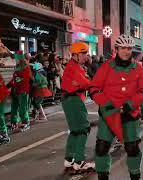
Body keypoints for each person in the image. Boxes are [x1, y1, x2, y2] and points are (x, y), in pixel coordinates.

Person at [89, 34, 143, 180]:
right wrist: (106, 104)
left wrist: (130, 105)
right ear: (117, 49)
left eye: (129, 48)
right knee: (102, 147)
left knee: (132, 148)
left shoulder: (138, 68)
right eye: (123, 48)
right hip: (109, 114)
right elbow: (94, 88)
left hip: (130, 115)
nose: (126, 51)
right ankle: (103, 176)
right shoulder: (106, 66)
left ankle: (135, 176)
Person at [61, 42, 95, 173]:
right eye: (83, 53)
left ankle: (69, 159)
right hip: (73, 100)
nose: (86, 56)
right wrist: (96, 86)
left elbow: (82, 82)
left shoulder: (74, 66)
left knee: (75, 130)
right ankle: (80, 162)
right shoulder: (74, 67)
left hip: (69, 99)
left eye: (86, 53)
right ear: (75, 55)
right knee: (83, 129)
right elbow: (85, 83)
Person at [7, 51, 32, 131]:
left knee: (22, 108)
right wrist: (8, 86)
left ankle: (25, 122)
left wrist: (16, 82)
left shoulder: (26, 67)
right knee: (14, 107)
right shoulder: (17, 67)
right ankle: (14, 122)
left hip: (22, 91)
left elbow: (25, 80)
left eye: (16, 58)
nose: (15, 60)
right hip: (15, 90)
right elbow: (14, 79)